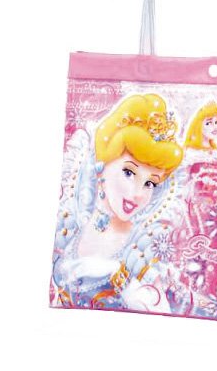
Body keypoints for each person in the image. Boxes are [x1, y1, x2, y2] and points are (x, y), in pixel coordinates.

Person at [51, 93, 184, 312]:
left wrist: (128, 287)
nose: (138, 193)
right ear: (102, 164)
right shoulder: (69, 226)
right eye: (129, 172)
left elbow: (162, 315)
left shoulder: (142, 249)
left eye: (150, 183)